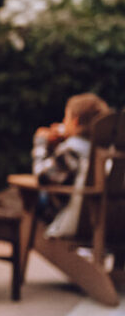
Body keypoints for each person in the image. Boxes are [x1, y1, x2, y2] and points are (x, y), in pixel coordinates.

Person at [31, 92, 110, 237]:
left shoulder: (71, 150)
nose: (62, 121)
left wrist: (41, 143)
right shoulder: (104, 151)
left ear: (75, 121)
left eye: (65, 117)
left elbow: (41, 174)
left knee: (32, 198)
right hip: (102, 225)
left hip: (70, 223)